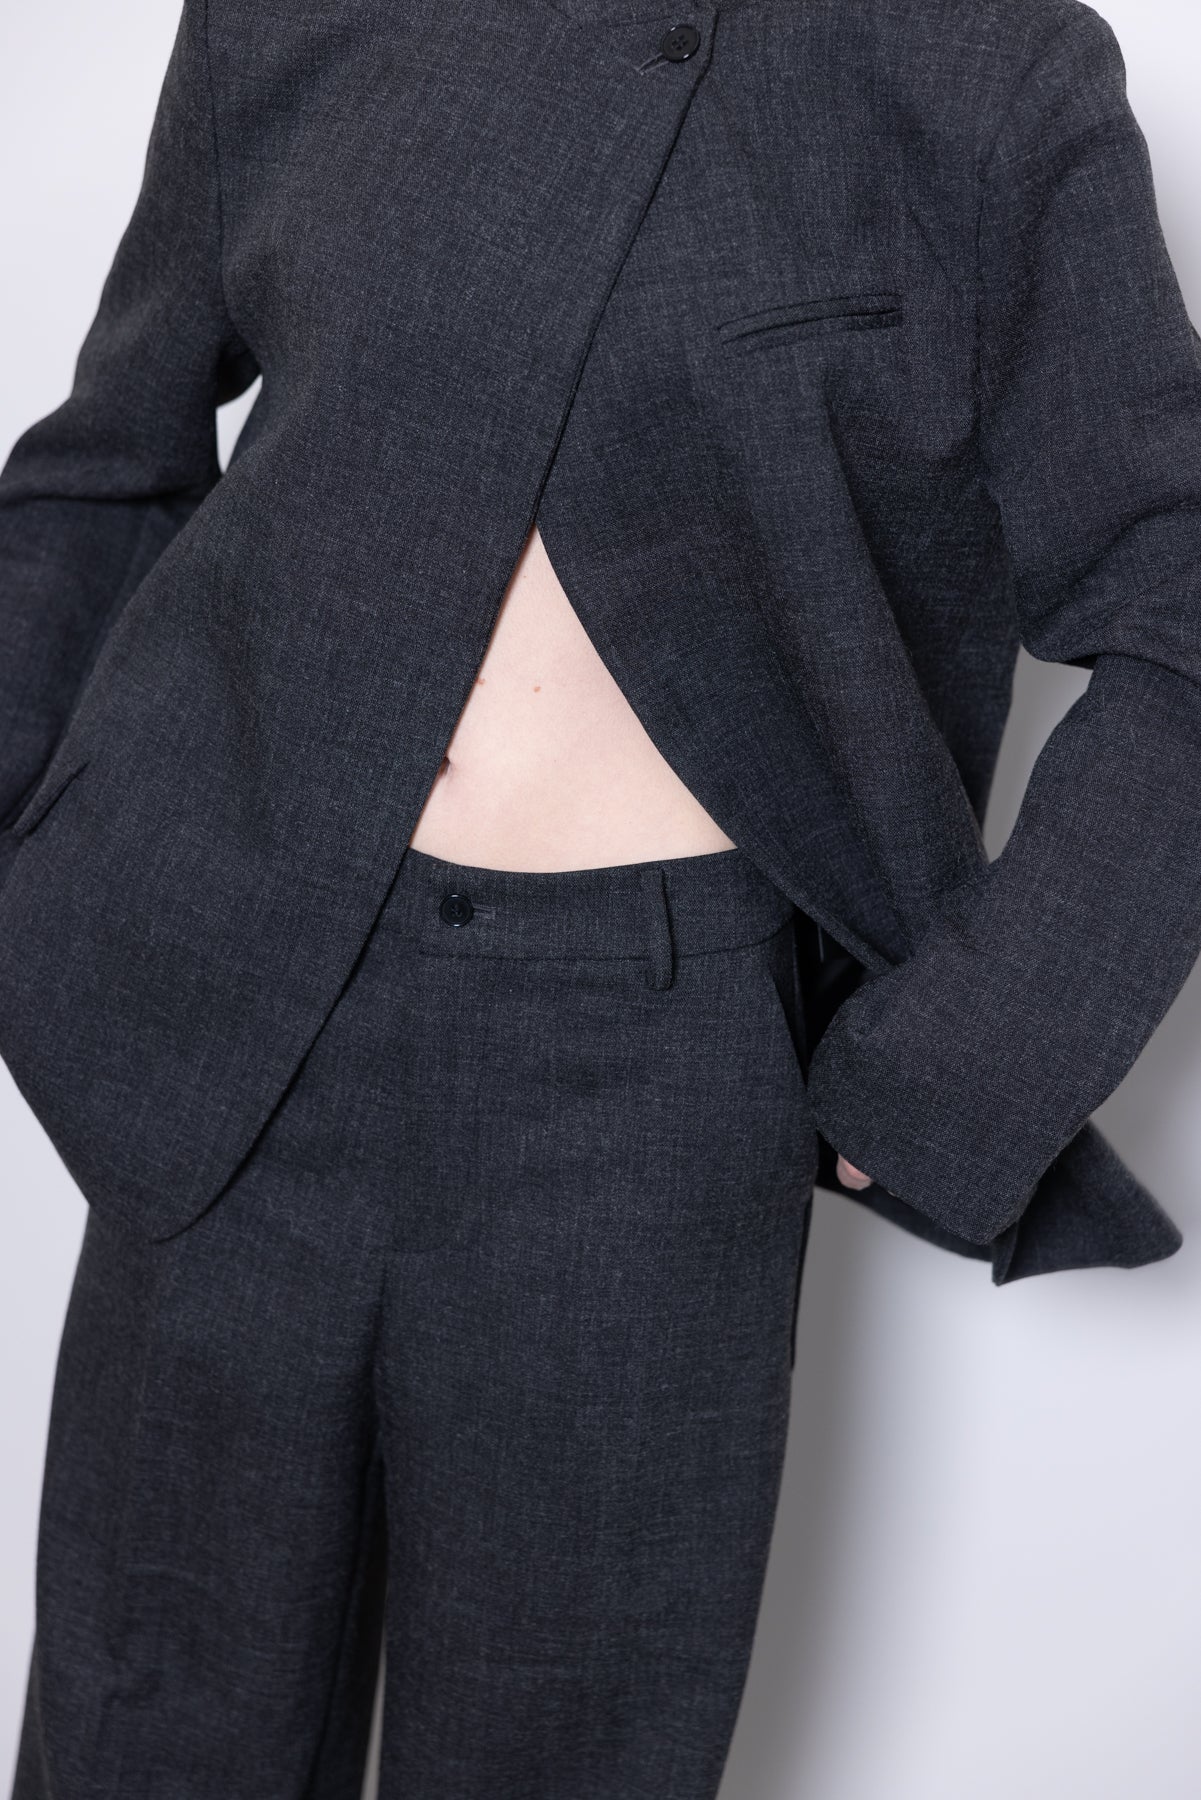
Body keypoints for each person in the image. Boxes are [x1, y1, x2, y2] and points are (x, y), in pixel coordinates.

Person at [2, 1, 1198, 1794]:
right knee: (138, 1734)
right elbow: (106, 466)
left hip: (646, 1081)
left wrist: (955, 1067)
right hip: (237, 1008)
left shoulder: (981, 69)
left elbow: (1179, 605)